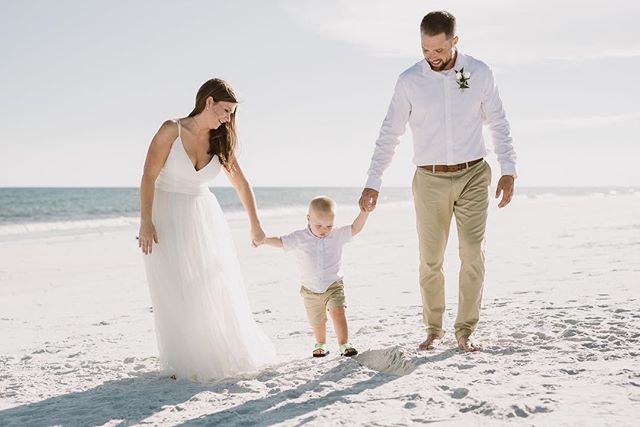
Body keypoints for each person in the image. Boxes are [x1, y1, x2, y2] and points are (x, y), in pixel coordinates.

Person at [359, 11, 517, 352]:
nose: (432, 57)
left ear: (454, 41)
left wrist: (508, 168)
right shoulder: (409, 81)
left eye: (439, 50)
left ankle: (465, 330)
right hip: (429, 178)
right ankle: (434, 329)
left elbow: (499, 123)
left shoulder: (479, 72)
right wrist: (373, 180)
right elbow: (390, 133)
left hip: (474, 173)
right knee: (431, 259)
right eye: (425, 49)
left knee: (472, 252)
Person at [138, 78, 275, 381]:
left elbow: (241, 183)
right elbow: (148, 176)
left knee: (211, 283)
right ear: (209, 102)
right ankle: (183, 359)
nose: (228, 119)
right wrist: (145, 221)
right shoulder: (170, 130)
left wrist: (256, 225)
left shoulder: (220, 140)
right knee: (175, 289)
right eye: (225, 111)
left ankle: (214, 351)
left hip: (203, 216)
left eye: (232, 114)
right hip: (166, 216)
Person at [260, 196, 368, 358]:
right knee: (317, 321)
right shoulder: (300, 237)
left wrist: (364, 213)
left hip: (333, 284)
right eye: (319, 225)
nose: (324, 229)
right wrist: (264, 240)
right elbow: (282, 242)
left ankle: (344, 343)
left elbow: (355, 228)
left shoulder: (337, 234)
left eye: (328, 226)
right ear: (308, 219)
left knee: (338, 312)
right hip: (310, 289)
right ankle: (321, 344)